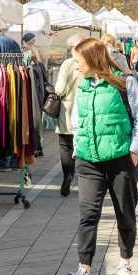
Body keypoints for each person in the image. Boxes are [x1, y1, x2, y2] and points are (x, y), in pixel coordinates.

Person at [65, 38, 138, 275]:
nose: (77, 67)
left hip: (120, 160)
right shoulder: (83, 87)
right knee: (87, 216)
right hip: (89, 162)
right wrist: (79, 151)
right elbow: (77, 121)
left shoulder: (125, 82)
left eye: (79, 61)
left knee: (125, 213)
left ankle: (125, 263)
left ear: (92, 60)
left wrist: (134, 151)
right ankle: (84, 273)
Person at [54, 33, 86, 196]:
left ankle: (68, 175)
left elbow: (60, 89)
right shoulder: (90, 62)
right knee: (82, 145)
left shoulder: (68, 64)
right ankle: (84, 178)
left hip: (68, 110)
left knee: (65, 146)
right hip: (86, 110)